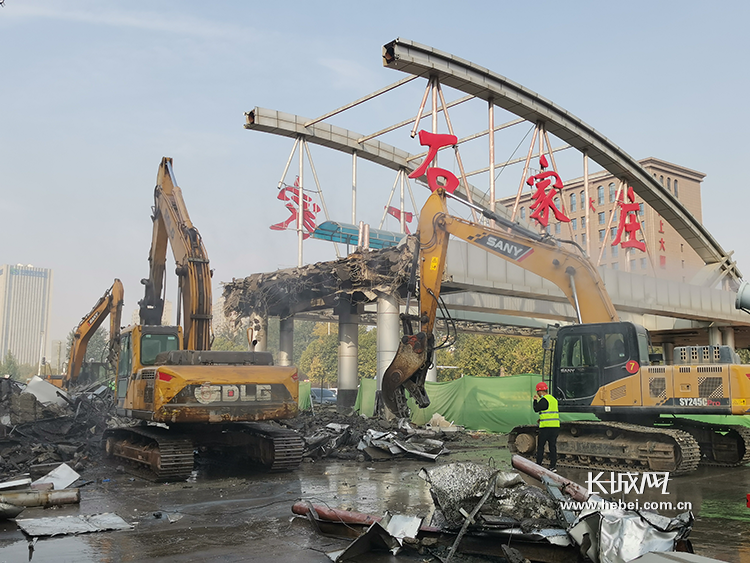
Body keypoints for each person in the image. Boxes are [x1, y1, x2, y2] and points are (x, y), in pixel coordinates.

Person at [533, 381, 559, 471]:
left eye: (538, 392)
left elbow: (536, 409)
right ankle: (553, 466)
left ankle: (538, 465)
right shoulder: (553, 399)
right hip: (555, 426)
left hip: (545, 427)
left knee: (541, 447)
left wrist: (535, 400)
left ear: (540, 391)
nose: (538, 394)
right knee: (552, 446)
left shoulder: (544, 400)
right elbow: (550, 412)